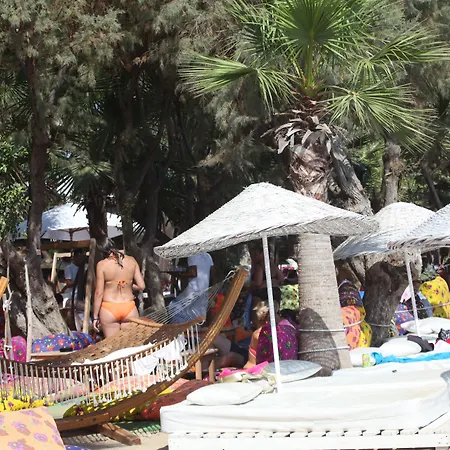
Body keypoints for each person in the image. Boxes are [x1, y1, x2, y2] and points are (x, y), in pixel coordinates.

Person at [93, 239, 145, 337]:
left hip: (109, 308)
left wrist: (95, 317)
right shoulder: (132, 261)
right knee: (129, 344)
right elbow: (142, 286)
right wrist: (129, 285)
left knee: (112, 344)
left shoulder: (101, 265)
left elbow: (99, 293)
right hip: (129, 307)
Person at [245, 298, 298, 368]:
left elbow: (251, 363)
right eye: (278, 313)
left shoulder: (258, 334)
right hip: (293, 367)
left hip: (269, 370)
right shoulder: (289, 327)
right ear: (273, 315)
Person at [168, 252, 214, 324]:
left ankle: (179, 326)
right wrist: (211, 287)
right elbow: (212, 273)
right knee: (197, 312)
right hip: (204, 289)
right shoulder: (208, 256)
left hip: (193, 289)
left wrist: (178, 274)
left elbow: (193, 273)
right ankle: (194, 327)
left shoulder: (192, 255)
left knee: (174, 305)